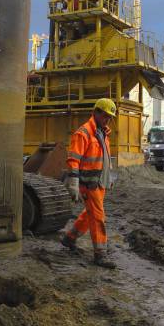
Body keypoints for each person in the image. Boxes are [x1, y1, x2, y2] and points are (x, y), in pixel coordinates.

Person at [61, 98, 117, 269]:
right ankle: (100, 254)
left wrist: (109, 177)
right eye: (106, 116)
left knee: (90, 214)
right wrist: (73, 183)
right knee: (98, 217)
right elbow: (73, 159)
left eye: (110, 117)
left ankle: (69, 238)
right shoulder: (83, 133)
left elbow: (105, 158)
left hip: (99, 183)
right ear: (96, 112)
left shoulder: (103, 133)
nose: (108, 120)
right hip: (88, 184)